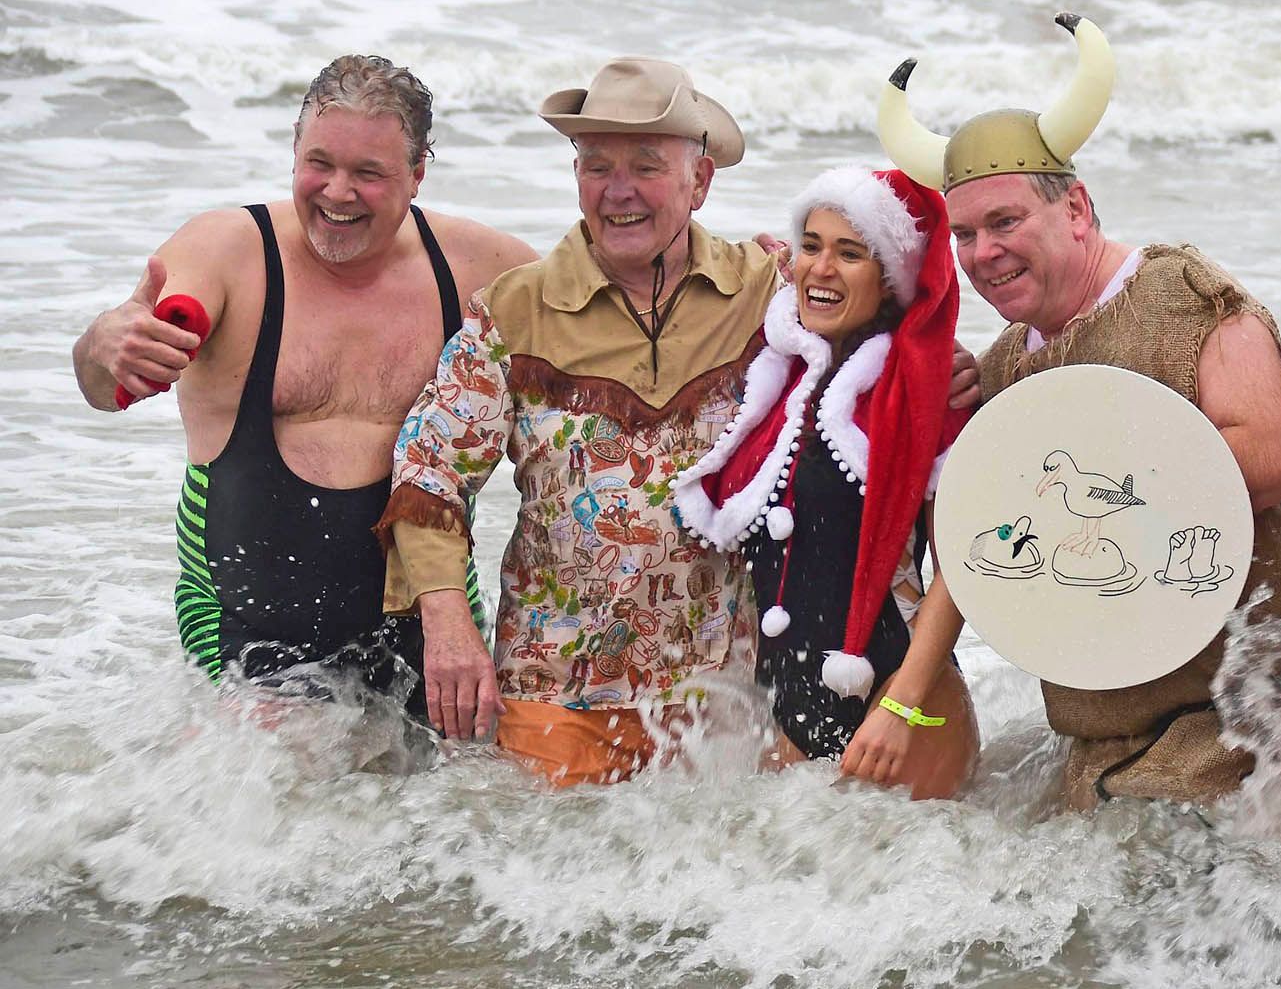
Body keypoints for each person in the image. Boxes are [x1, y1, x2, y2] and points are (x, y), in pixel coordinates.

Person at [879, 13, 1281, 810]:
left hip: (1256, 721)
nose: (983, 252)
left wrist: (1092, 487)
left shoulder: (1185, 297)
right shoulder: (1004, 366)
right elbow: (981, 534)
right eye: (965, 234)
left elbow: (1277, 456)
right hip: (1103, 740)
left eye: (1005, 222)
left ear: (1076, 208)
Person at [72, 55, 534, 716]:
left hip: (429, 632)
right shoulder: (228, 252)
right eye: (320, 163)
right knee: (286, 758)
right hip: (241, 631)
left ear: (417, 174)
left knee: (482, 774)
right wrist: (104, 343)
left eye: (368, 173)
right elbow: (103, 383)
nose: (338, 192)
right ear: (294, 150)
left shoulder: (479, 268)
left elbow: (603, 344)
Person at [379, 57, 782, 784]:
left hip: (722, 693)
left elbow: (877, 340)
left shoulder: (764, 292)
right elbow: (428, 472)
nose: (618, 190)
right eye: (597, 166)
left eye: (646, 166)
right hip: (553, 691)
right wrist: (448, 627)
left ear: (699, 181)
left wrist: (958, 371)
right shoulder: (515, 309)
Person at [672, 167, 978, 798]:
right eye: (811, 246)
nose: (823, 268)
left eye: (850, 253)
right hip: (790, 714)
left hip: (905, 707)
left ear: (889, 278)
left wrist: (901, 707)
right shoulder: (776, 386)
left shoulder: (927, 393)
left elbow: (967, 565)